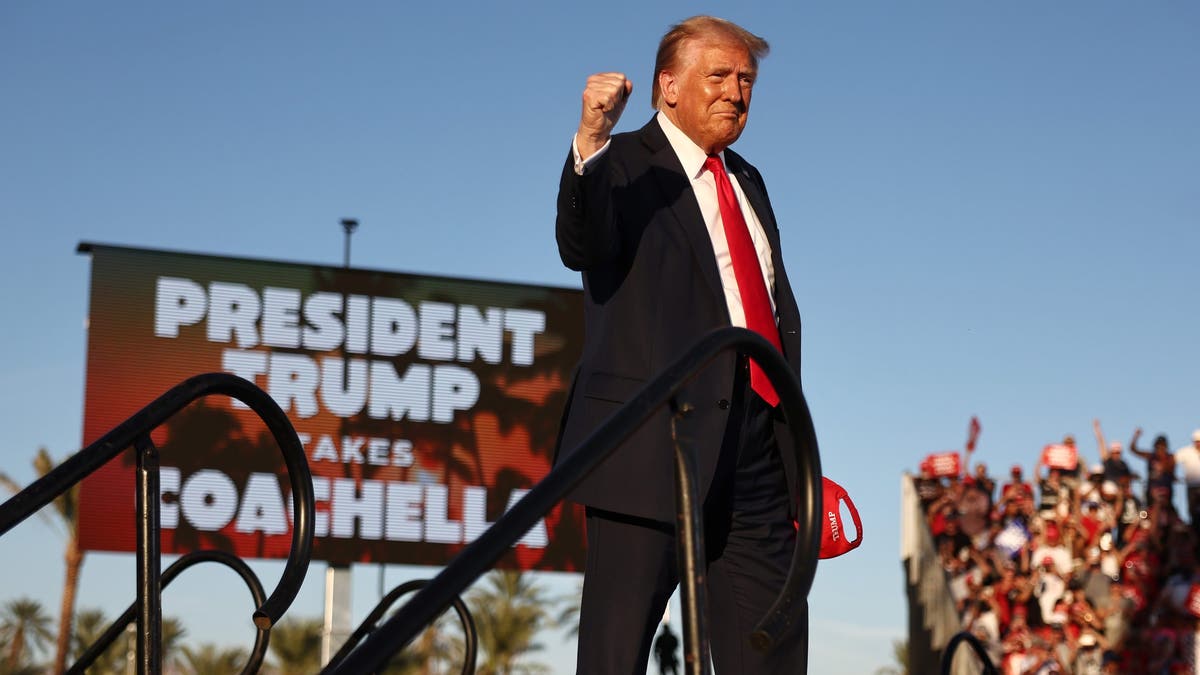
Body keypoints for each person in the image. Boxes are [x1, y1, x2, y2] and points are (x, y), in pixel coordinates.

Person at [554, 15, 810, 673]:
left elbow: (771, 310)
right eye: (719, 75)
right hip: (652, 443)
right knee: (614, 656)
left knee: (770, 653)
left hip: (758, 455)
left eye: (746, 80)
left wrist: (794, 454)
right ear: (668, 86)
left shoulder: (748, 180)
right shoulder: (621, 163)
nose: (736, 92)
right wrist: (590, 139)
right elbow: (582, 244)